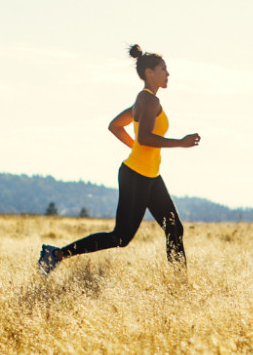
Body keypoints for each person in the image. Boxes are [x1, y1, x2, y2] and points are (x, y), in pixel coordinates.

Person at [40, 45, 201, 274]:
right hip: (137, 175)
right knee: (121, 237)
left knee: (174, 227)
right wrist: (180, 142)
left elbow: (115, 126)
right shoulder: (149, 101)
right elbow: (144, 137)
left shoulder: (143, 101)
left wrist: (136, 146)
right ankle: (56, 255)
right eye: (163, 69)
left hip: (150, 175)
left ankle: (178, 283)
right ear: (149, 73)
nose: (168, 74)